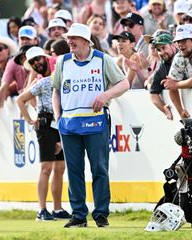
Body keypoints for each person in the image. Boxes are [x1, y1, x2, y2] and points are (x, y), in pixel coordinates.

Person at [52, 23, 129, 228]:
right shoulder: (63, 61)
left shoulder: (103, 60)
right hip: (69, 125)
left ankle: (101, 213)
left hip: (95, 123)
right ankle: (78, 215)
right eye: (69, 38)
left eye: (74, 38)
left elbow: (124, 83)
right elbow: (56, 91)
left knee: (99, 169)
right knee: (74, 171)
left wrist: (106, 95)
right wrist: (58, 117)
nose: (70, 41)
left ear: (86, 41)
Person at [16, 46, 71, 221]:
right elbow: (21, 99)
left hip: (60, 124)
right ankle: (42, 210)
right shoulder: (41, 82)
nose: (37, 63)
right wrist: (30, 119)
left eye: (38, 59)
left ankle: (57, 208)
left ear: (46, 58)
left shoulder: (60, 78)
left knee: (60, 169)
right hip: (45, 125)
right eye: (33, 62)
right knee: (46, 168)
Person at [161, 24, 192, 119]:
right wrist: (181, 111)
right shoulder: (178, 57)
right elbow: (171, 86)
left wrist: (176, 84)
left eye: (184, 40)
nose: (180, 44)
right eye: (178, 41)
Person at [149, 33, 176, 120]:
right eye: (159, 50)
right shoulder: (163, 66)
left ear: (173, 46)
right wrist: (164, 109)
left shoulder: (184, 57)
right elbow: (153, 93)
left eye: (164, 47)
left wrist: (176, 84)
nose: (162, 52)